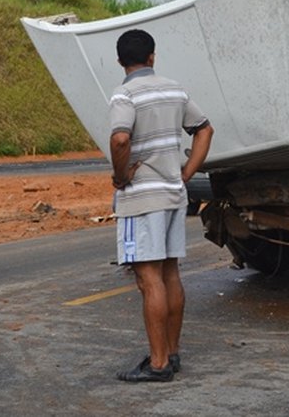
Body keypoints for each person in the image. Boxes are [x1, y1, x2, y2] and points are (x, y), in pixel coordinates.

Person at [108, 29, 214, 383]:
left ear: (121, 61)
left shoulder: (124, 95)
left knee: (148, 278)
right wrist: (186, 172)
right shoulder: (174, 89)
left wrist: (121, 175)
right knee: (170, 274)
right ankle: (171, 351)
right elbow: (204, 129)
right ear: (152, 57)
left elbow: (121, 137)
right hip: (172, 193)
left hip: (142, 198)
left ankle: (157, 364)